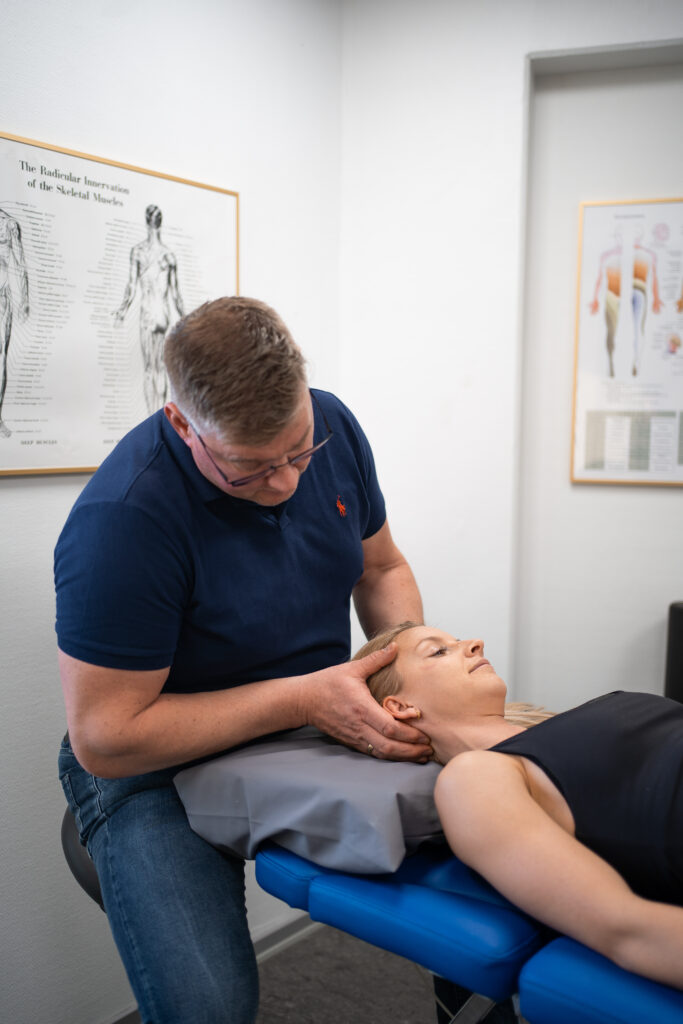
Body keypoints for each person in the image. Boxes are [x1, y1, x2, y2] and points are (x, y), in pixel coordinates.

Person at [55, 297, 431, 1024]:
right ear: (181, 424)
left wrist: (408, 666)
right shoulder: (123, 521)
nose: (285, 482)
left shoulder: (334, 423)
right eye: (249, 469)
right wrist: (303, 698)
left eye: (299, 451)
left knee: (485, 858)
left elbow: (381, 568)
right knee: (210, 1009)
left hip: (310, 725)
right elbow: (105, 737)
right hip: (153, 765)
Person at [356, 622, 683, 992]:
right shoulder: (475, 777)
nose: (476, 643)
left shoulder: (570, 720)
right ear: (400, 706)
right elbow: (626, 929)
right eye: (438, 651)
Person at [114, 204, 185, 413]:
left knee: (148, 369)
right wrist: (187, 318)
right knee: (161, 368)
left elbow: (131, 287)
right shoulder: (168, 255)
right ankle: (160, 415)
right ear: (160, 224)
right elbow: (175, 294)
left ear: (147, 223)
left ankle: (151, 416)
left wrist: (122, 311)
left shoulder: (138, 252)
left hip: (147, 313)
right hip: (162, 313)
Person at [0, 207, 30, 437]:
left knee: (1, 357)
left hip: (1, 297)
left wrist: (25, 299)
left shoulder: (8, 224)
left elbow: (19, 264)